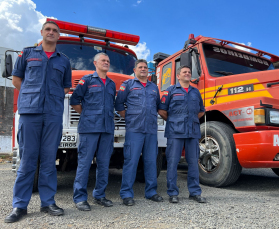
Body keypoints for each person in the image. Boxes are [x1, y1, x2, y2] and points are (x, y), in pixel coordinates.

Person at [5, 21, 72, 223]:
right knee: (27, 159)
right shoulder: (26, 54)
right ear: (42, 32)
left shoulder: (64, 61)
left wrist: (51, 98)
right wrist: (31, 96)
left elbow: (66, 87)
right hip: (30, 112)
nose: (51, 33)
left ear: (59, 35)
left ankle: (48, 202)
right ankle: (20, 205)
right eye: (48, 30)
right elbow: (16, 80)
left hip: (52, 114)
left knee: (49, 159)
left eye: (55, 30)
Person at [70, 53, 116, 211]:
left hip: (107, 129)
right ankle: (80, 198)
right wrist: (87, 114)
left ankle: (100, 195)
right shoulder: (87, 80)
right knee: (84, 163)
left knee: (104, 164)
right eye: (103, 60)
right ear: (95, 62)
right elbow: (74, 100)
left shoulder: (111, 84)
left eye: (108, 61)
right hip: (89, 128)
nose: (106, 63)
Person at [115, 59, 163, 206]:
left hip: (150, 130)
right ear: (135, 70)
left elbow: (157, 106)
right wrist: (129, 117)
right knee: (131, 161)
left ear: (148, 71)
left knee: (150, 162)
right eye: (140, 67)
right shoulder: (128, 85)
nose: (143, 69)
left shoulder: (154, 87)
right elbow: (118, 105)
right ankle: (126, 194)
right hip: (134, 129)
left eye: (145, 68)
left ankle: (151, 192)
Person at [158, 65, 206, 204]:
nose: (187, 73)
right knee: (172, 163)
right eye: (184, 72)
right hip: (175, 132)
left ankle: (195, 192)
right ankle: (172, 193)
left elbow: (201, 111)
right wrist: (174, 121)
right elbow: (162, 110)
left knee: (193, 162)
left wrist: (191, 121)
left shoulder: (196, 92)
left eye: (189, 72)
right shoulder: (170, 91)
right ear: (178, 76)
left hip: (192, 132)